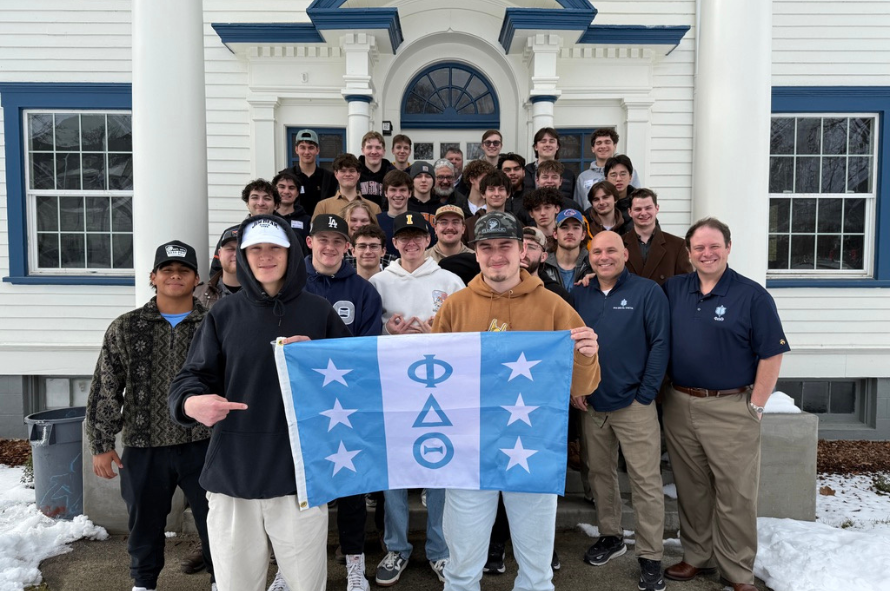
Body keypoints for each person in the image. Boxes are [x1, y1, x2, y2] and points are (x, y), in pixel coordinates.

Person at [170, 215, 351, 591]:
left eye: (275, 248)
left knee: (307, 585)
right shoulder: (223, 313)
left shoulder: (319, 311)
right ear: (243, 256)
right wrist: (191, 404)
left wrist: (320, 358)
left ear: (291, 253)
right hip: (233, 473)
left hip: (298, 476)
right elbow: (190, 378)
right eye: (255, 249)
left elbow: (354, 379)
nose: (265, 256)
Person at [432, 211, 601, 591]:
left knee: (537, 573)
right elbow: (434, 382)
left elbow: (583, 386)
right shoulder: (455, 307)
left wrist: (587, 356)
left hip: (533, 448)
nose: (496, 256)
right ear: (476, 253)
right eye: (486, 247)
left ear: (522, 250)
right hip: (469, 452)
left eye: (505, 246)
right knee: (461, 571)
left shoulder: (554, 306)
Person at [662, 218, 790, 591]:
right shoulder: (674, 289)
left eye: (714, 246)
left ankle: (737, 571)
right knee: (691, 489)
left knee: (736, 494)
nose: (707, 253)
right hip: (679, 403)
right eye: (699, 247)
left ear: (728, 248)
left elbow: (771, 354)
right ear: (689, 253)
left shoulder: (752, 296)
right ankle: (697, 556)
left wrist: (756, 405)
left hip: (731, 406)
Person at [86, 240, 214, 591]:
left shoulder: (214, 324)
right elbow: (106, 386)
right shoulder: (126, 327)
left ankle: (222, 579)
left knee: (216, 519)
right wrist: (101, 443)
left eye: (184, 270)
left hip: (204, 442)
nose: (175, 276)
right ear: (152, 277)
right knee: (144, 521)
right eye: (167, 270)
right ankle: (144, 583)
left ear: (196, 279)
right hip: (144, 444)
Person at [264, 213, 382, 591]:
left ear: (347, 247)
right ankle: (288, 567)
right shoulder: (286, 287)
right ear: (309, 242)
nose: (330, 247)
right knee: (296, 485)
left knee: (350, 485)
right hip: (297, 403)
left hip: (345, 404)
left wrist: (321, 353)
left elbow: (366, 350)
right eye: (323, 239)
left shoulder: (364, 291)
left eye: (337, 241)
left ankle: (355, 564)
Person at [368, 212, 465, 586]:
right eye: (403, 238)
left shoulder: (449, 280)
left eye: (417, 236)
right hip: (394, 386)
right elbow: (366, 332)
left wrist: (438, 332)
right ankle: (397, 547)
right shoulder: (379, 281)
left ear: (428, 240)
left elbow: (462, 330)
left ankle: (439, 549)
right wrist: (387, 330)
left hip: (438, 387)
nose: (410, 243)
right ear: (394, 243)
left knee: (438, 464)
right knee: (394, 467)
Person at [572, 231, 669, 591]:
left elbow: (660, 343)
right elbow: (570, 342)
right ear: (590, 257)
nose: (604, 257)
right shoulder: (580, 293)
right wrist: (577, 387)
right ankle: (611, 536)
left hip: (634, 404)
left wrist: (645, 395)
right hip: (593, 403)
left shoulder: (647, 292)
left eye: (611, 250)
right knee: (600, 474)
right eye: (597, 251)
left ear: (625, 254)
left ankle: (651, 555)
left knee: (645, 481)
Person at [622, 188, 691, 286]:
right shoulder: (619, 244)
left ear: (657, 208)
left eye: (648, 208)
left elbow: (686, 284)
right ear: (630, 212)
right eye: (638, 209)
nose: (643, 213)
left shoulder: (677, 245)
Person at [574, 129, 642, 209]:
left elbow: (638, 200)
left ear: (615, 146)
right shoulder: (583, 177)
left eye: (607, 142)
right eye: (599, 143)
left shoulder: (629, 172)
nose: (603, 146)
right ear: (593, 148)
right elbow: (578, 206)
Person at [540, 209, 592, 293]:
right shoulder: (542, 266)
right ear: (555, 234)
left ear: (583, 235)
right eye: (564, 227)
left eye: (576, 228)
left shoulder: (593, 264)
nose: (570, 232)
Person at [314, 153, 382, 218]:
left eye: (352, 171)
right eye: (343, 171)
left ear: (358, 175)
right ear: (336, 174)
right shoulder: (323, 206)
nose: (347, 174)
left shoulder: (374, 208)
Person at [288, 129, 337, 216]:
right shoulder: (287, 176)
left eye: (311, 148)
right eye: (302, 147)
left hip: (322, 223)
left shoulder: (329, 178)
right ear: (296, 150)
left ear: (317, 150)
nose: (307, 152)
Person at [523, 127, 576, 201]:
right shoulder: (525, 172)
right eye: (543, 141)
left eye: (551, 141)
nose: (547, 144)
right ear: (536, 147)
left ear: (557, 146)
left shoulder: (568, 174)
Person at [195, 225, 241, 309]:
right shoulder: (196, 296)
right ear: (219, 254)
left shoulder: (263, 295)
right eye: (230, 249)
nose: (236, 254)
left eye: (241, 250)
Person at [465, 170, 511, 243]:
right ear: (483, 194)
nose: (496, 194)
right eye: (491, 189)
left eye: (501, 189)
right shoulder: (469, 225)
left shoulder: (516, 224)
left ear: (508, 194)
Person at [273, 170, 311, 244]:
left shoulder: (307, 221)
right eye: (282, 187)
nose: (286, 191)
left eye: (291, 188)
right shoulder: (267, 217)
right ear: (274, 190)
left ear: (297, 193)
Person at [359, 131, 395, 207]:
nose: (374, 152)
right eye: (369, 147)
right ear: (363, 150)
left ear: (384, 151)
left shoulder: (393, 175)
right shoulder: (353, 173)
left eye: (378, 148)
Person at [604, 155, 637, 223]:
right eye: (613, 175)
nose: (618, 179)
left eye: (623, 174)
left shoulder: (640, 202)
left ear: (630, 177)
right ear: (606, 179)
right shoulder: (600, 203)